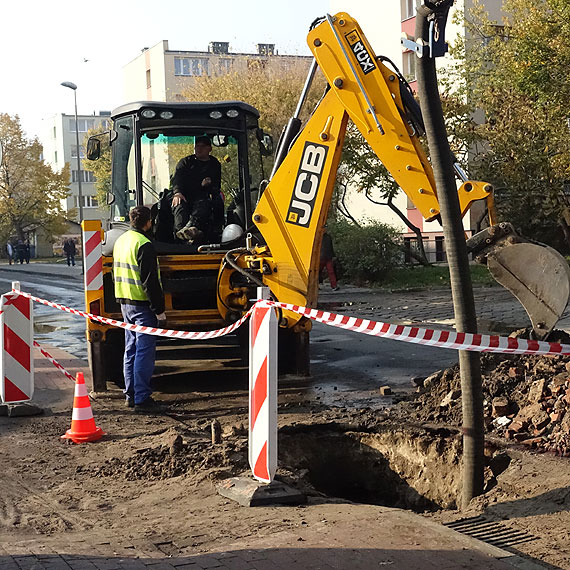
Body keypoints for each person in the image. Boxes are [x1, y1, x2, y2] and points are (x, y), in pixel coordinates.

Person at [113, 206, 166, 414]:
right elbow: (150, 282)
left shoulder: (121, 241)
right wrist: (159, 310)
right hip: (142, 306)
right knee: (144, 351)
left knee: (131, 349)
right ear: (148, 222)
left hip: (125, 304)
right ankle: (142, 398)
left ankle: (131, 394)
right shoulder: (144, 244)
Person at [170, 135, 222, 244]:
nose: (199, 149)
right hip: (184, 195)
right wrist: (177, 193)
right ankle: (180, 235)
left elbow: (216, 186)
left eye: (202, 146)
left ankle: (194, 230)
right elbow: (177, 180)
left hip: (203, 197)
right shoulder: (185, 162)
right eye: (197, 146)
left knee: (209, 204)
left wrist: (208, 185)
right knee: (179, 205)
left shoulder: (214, 164)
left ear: (209, 149)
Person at [319, 226, 339, 291]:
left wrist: (333, 255)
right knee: (317, 272)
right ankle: (316, 285)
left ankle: (334, 286)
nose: (324, 230)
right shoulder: (318, 237)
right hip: (320, 258)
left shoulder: (328, 237)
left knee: (331, 271)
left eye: (325, 229)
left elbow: (331, 247)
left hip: (327, 257)